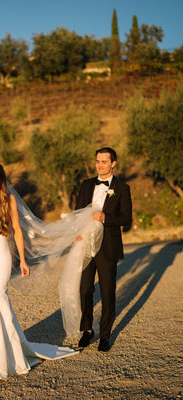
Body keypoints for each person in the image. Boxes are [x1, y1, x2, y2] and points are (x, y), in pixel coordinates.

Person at [0, 161, 77, 381]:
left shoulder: (8, 200)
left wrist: (22, 260)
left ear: (1, 182)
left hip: (1, 256)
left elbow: (17, 232)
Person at [76, 147, 132, 352]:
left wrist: (106, 218)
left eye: (105, 162)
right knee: (84, 289)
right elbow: (78, 213)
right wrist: (77, 233)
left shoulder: (122, 188)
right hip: (86, 244)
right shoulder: (85, 185)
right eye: (98, 161)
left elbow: (127, 219)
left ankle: (105, 335)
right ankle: (87, 330)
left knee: (108, 292)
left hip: (108, 246)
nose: (100, 165)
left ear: (113, 163)